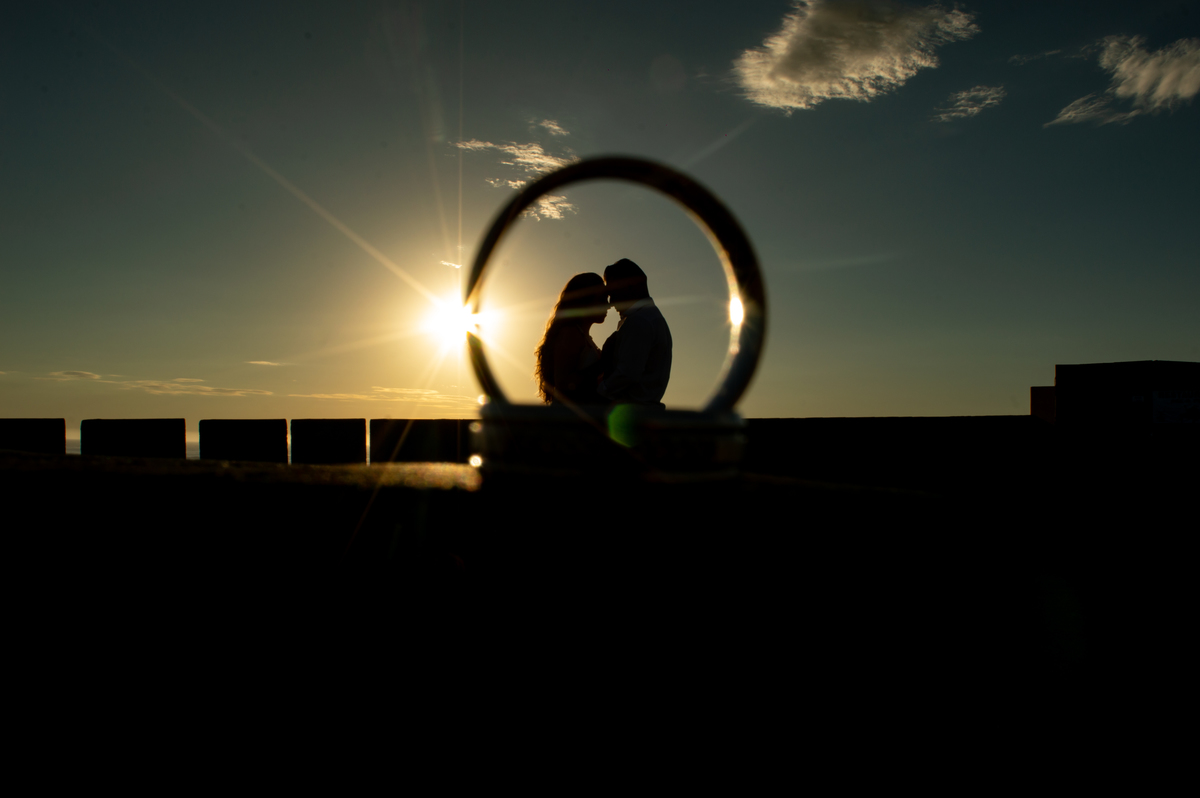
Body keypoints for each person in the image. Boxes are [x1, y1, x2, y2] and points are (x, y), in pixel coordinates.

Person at [597, 259, 672, 408]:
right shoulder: (651, 318)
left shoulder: (639, 321)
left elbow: (627, 373)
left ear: (630, 286)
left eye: (613, 292)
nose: (611, 302)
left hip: (633, 412)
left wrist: (599, 392)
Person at [534, 273, 609, 405]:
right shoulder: (570, 334)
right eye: (602, 299)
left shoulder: (582, 336)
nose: (608, 305)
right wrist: (603, 365)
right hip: (568, 417)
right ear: (586, 300)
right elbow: (563, 383)